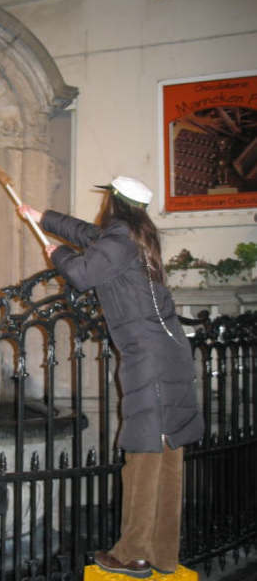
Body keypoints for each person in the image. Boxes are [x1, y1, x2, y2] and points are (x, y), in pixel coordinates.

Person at [18, 176, 204, 579]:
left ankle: (133, 554)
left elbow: (83, 273)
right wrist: (42, 216)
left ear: (114, 202)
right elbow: (89, 234)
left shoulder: (119, 239)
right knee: (167, 454)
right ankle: (162, 554)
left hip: (149, 362)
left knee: (142, 458)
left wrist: (58, 254)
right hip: (167, 354)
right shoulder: (134, 235)